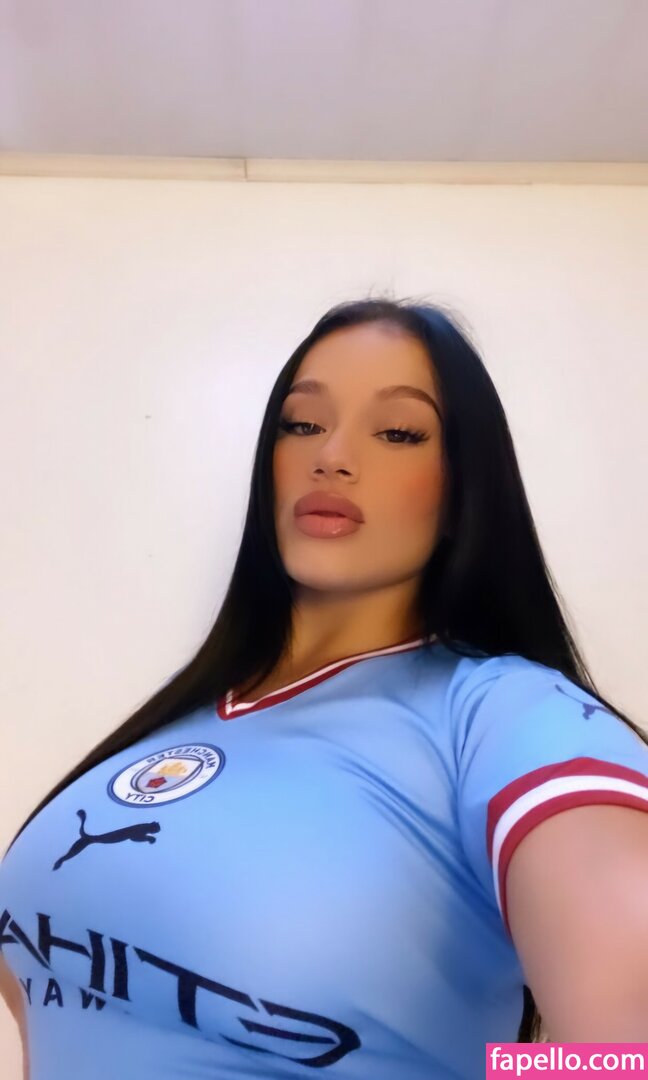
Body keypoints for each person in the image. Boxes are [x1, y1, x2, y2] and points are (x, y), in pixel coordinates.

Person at [1, 296, 647, 1079]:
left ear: (463, 488)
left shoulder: (510, 717)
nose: (332, 456)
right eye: (302, 424)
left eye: (398, 433)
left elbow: (624, 1054)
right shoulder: (174, 727)